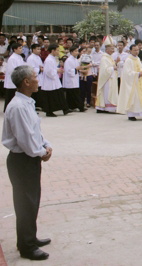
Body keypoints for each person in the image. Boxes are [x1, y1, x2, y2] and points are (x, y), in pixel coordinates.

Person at [2, 65, 53, 260]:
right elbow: (25, 139)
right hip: (22, 160)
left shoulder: (27, 103)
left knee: (31, 200)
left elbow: (35, 132)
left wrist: (45, 144)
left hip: (29, 158)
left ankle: (29, 237)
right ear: (26, 82)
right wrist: (41, 152)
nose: (37, 80)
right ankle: (27, 246)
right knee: (25, 203)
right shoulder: (17, 107)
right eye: (34, 77)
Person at [116, 45, 142, 121]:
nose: (136, 52)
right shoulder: (129, 60)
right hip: (132, 83)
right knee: (133, 99)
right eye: (135, 50)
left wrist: (141, 71)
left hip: (138, 82)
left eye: (137, 50)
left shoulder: (137, 58)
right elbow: (127, 73)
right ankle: (131, 115)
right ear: (130, 51)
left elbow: (141, 67)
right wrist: (136, 74)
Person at [41, 44, 69, 117]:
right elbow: (48, 71)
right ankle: (49, 111)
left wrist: (57, 70)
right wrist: (57, 71)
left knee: (59, 94)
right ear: (53, 51)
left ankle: (65, 109)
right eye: (57, 50)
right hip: (50, 80)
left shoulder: (52, 58)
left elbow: (52, 68)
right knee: (51, 97)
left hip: (54, 79)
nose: (58, 52)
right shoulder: (49, 60)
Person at [63, 45, 87, 112]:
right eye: (75, 51)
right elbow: (68, 71)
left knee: (74, 94)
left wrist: (81, 69)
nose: (77, 52)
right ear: (71, 52)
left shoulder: (75, 59)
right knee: (74, 95)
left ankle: (72, 106)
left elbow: (77, 68)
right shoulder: (68, 60)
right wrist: (76, 69)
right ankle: (80, 107)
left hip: (75, 79)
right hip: (70, 80)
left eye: (77, 51)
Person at [96, 43, 118, 114]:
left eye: (113, 49)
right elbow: (104, 70)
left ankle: (106, 107)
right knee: (107, 92)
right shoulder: (104, 58)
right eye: (111, 49)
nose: (113, 50)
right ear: (107, 50)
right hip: (106, 79)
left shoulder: (109, 57)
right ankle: (107, 108)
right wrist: (112, 68)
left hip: (111, 77)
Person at [3, 42, 25, 111]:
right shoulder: (12, 58)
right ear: (15, 50)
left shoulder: (20, 57)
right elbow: (12, 70)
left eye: (21, 48)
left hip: (19, 78)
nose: (21, 50)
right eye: (20, 48)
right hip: (12, 80)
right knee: (11, 95)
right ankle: (8, 109)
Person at [26, 44, 44, 108]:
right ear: (33, 49)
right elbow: (31, 68)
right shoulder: (30, 58)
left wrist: (41, 68)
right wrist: (39, 69)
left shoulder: (38, 57)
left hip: (39, 76)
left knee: (39, 92)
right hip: (34, 76)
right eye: (37, 49)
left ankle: (39, 105)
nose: (39, 51)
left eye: (40, 49)